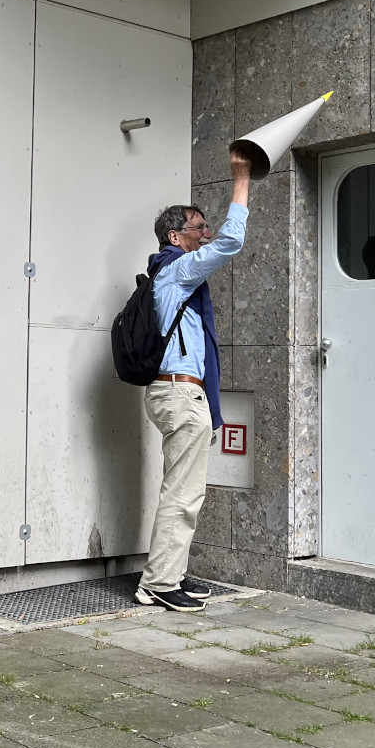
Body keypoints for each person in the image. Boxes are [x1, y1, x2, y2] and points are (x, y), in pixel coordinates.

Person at [136, 150, 251, 612]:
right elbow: (230, 244)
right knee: (182, 492)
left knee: (185, 489)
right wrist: (241, 181)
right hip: (180, 392)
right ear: (174, 236)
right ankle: (159, 583)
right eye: (199, 228)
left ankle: (171, 573)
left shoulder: (170, 273)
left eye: (205, 228)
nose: (207, 235)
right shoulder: (176, 269)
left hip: (178, 391)